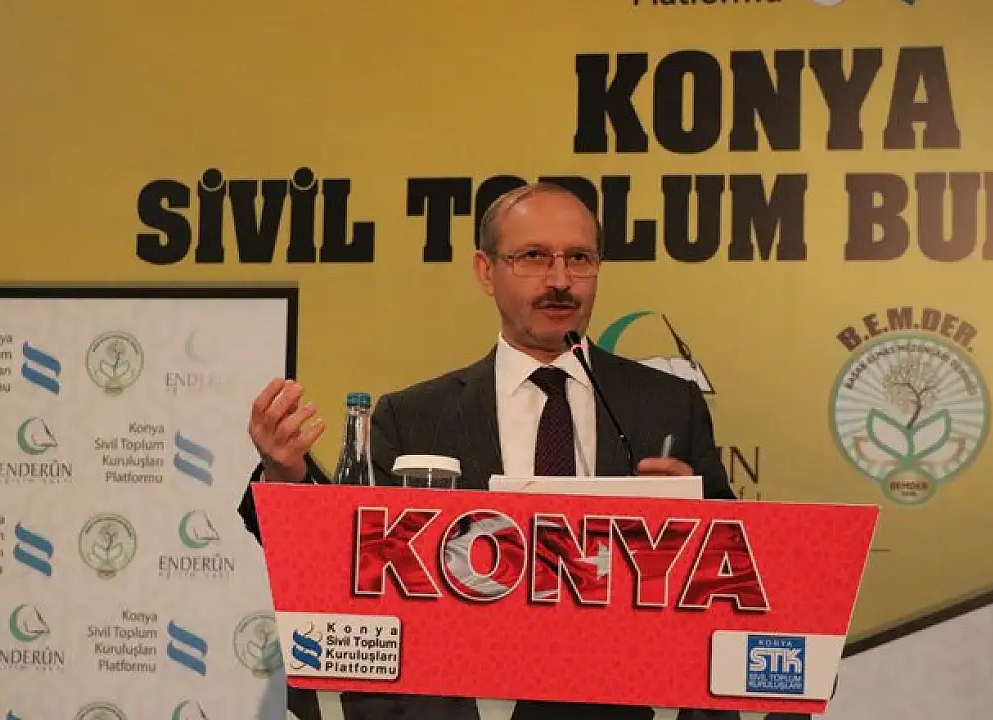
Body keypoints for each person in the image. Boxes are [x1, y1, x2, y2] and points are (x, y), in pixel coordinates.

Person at [238, 182, 740, 720]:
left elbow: (739, 575)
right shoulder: (414, 417)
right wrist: (286, 475)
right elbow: (350, 559)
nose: (560, 281)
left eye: (579, 258)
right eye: (533, 257)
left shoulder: (667, 406)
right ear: (485, 271)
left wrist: (696, 526)